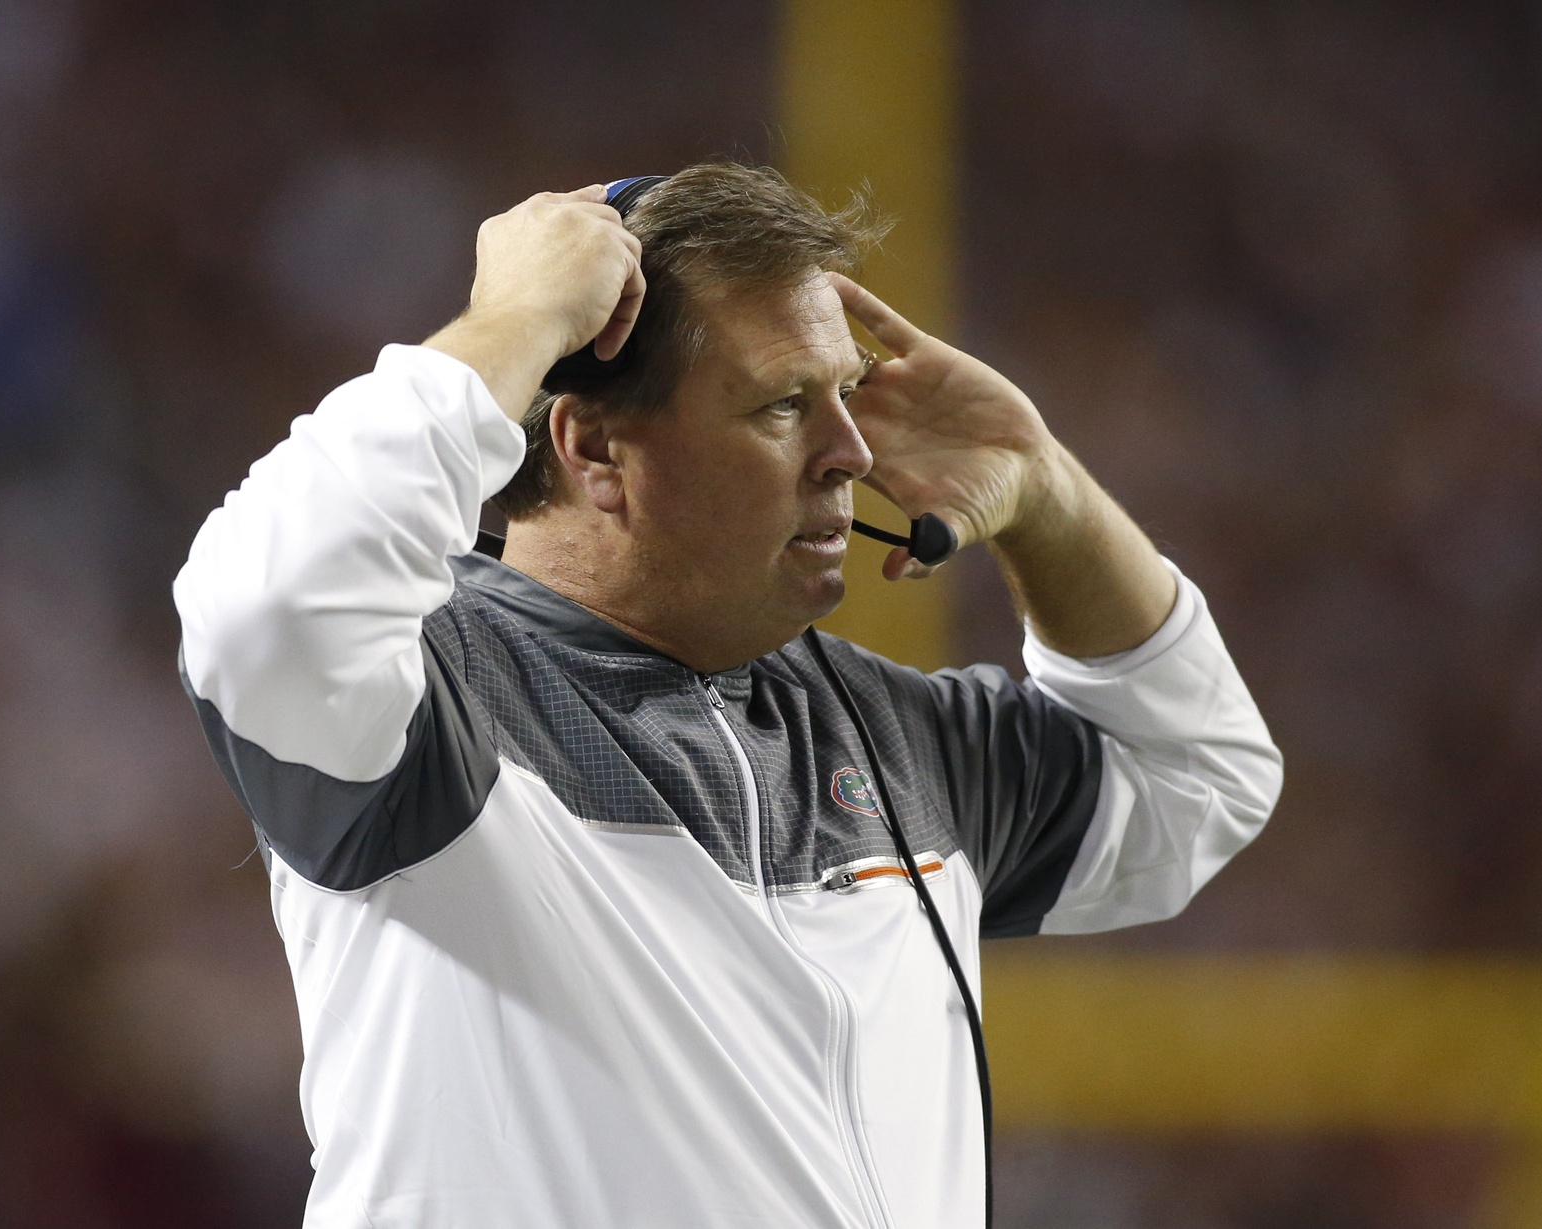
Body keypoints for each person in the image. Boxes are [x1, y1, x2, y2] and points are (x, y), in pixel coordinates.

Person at [174, 163, 1282, 1229]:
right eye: (780, 407)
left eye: (842, 394)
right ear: (595, 446)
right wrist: (513, 319)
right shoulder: (430, 703)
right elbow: (264, 602)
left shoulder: (884, 733)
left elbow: (1194, 779)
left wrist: (1044, 487)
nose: (849, 451)